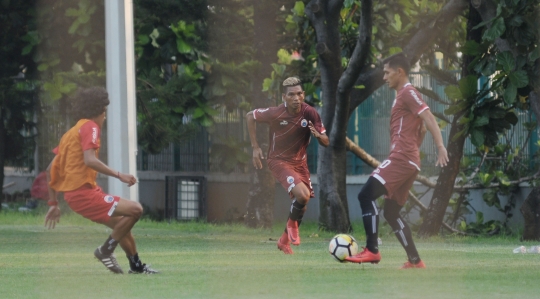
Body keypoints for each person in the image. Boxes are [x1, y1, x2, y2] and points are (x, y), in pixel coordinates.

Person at [345, 53, 449, 268]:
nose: (384, 77)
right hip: (409, 161)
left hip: (402, 159)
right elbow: (420, 129)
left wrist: (440, 147)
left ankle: (372, 250)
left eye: (387, 72)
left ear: (399, 72)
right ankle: (415, 261)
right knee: (391, 212)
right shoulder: (403, 96)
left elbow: (428, 117)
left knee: (365, 195)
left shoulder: (408, 93)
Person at [44, 87, 158, 274]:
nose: (105, 117)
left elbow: (49, 170)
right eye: (105, 112)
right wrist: (120, 175)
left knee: (121, 225)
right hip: (83, 194)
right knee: (136, 209)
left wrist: (53, 203)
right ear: (100, 111)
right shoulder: (90, 127)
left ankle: (136, 266)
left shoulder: (71, 133)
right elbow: (90, 160)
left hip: (77, 195)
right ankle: (105, 251)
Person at [246, 77, 329, 254]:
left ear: (303, 94)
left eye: (299, 94)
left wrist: (318, 136)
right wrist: (255, 147)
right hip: (279, 160)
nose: (296, 98)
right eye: (291, 95)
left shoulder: (310, 113)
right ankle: (292, 228)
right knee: (302, 196)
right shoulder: (276, 113)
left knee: (302, 205)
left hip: (300, 164)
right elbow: (249, 116)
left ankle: (284, 241)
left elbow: (326, 141)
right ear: (284, 97)